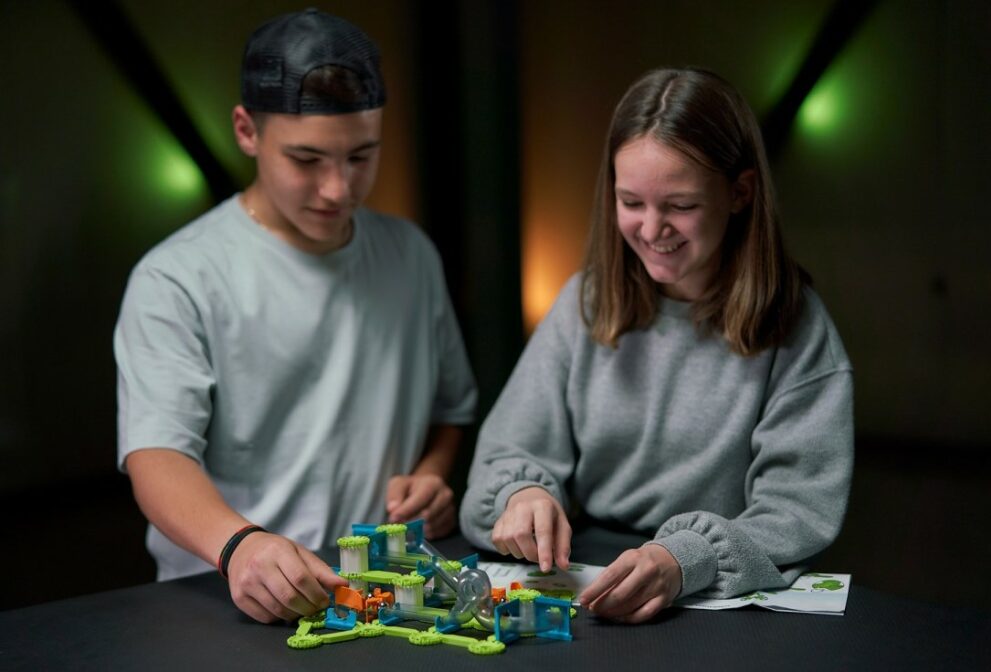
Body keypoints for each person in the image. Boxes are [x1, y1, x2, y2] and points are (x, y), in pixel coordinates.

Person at [114, 9, 477, 623]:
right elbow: (156, 456)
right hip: (221, 600)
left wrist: (432, 476)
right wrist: (239, 546)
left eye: (361, 156)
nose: (338, 188)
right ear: (246, 131)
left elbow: (451, 409)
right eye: (307, 160)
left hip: (381, 597)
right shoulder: (176, 277)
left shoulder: (411, 255)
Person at [459, 67, 853, 624]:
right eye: (631, 202)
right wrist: (522, 496)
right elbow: (506, 454)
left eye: (681, 205)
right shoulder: (584, 302)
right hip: (591, 567)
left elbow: (798, 511)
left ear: (740, 193)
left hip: (717, 591)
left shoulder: (798, 325)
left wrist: (684, 557)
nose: (651, 229)